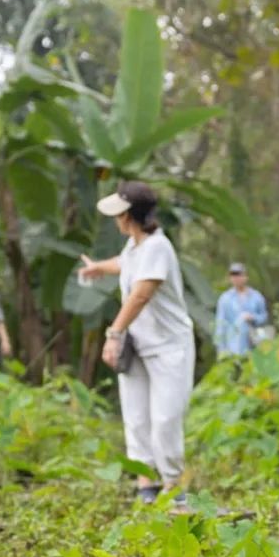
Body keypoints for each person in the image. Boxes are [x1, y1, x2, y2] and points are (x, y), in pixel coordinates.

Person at [78, 182, 195, 506]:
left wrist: (113, 334)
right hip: (139, 345)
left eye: (118, 213)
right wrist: (99, 268)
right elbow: (125, 263)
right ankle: (146, 482)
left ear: (128, 216)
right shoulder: (135, 246)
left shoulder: (159, 246)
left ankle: (172, 483)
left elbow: (141, 294)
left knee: (165, 418)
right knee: (136, 416)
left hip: (169, 346)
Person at [214, 262, 269, 355]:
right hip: (232, 347)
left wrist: (253, 317)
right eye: (233, 275)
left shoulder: (256, 297)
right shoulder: (225, 299)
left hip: (254, 346)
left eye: (239, 275)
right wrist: (221, 349)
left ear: (246, 277)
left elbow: (264, 317)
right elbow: (220, 324)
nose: (236, 278)